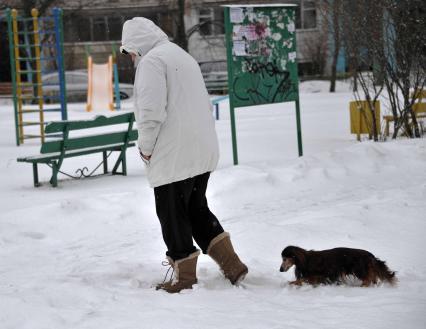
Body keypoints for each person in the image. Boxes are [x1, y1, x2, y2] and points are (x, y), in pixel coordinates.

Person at [120, 17, 248, 293]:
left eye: (130, 50)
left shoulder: (151, 62)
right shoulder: (181, 55)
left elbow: (150, 113)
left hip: (173, 154)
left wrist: (146, 148)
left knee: (172, 213)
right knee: (195, 208)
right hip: (200, 149)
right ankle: (232, 264)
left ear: (138, 45)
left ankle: (185, 278)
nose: (130, 57)